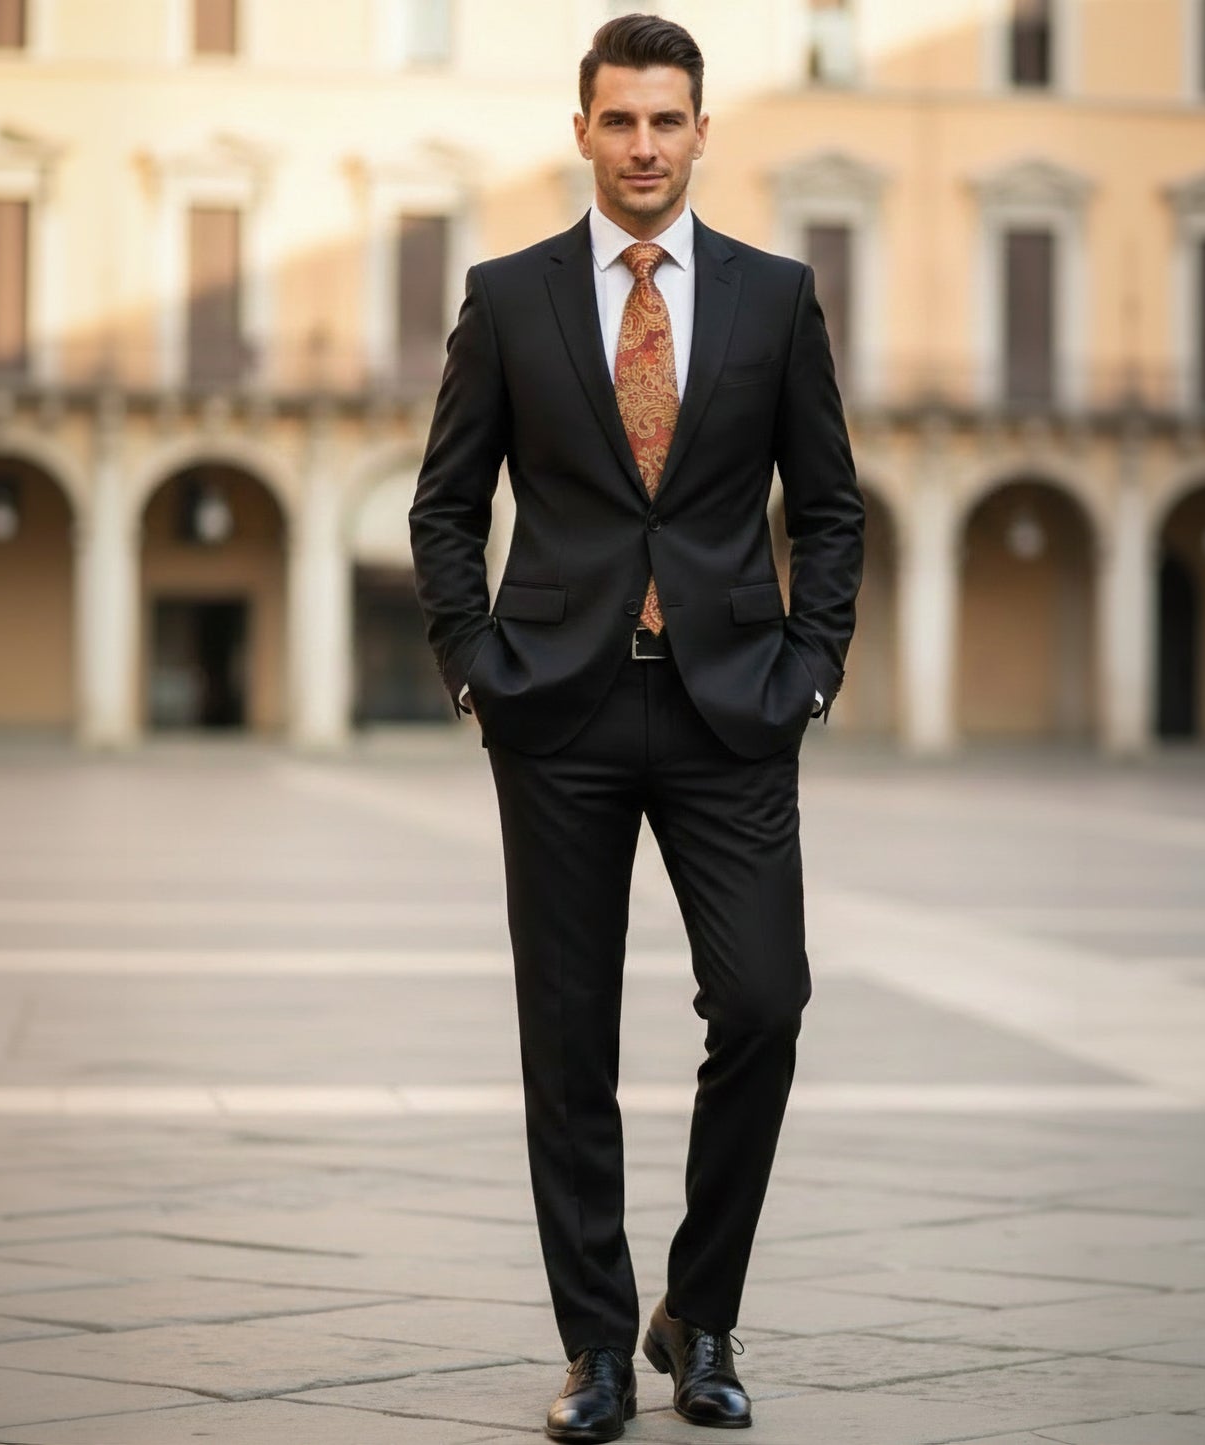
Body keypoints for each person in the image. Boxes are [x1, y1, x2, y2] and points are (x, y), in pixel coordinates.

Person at [409, 14, 864, 1440]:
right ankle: (599, 1348)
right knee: (567, 1034)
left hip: (733, 710)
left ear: (703, 132)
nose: (645, 146)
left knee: (767, 1004)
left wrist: (811, 668)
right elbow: (443, 503)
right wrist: (477, 661)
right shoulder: (511, 294)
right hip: (562, 708)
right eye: (621, 121)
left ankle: (701, 1312)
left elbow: (831, 507)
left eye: (668, 121)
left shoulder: (775, 298)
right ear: (583, 132)